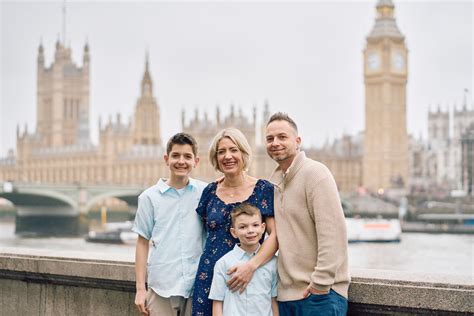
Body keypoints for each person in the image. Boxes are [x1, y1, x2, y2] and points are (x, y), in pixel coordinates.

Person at [265, 113, 350, 315]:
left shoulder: (316, 174)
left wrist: (320, 284)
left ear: (298, 141)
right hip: (286, 298)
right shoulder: (274, 184)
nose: (275, 143)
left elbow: (334, 233)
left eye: (282, 137)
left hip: (320, 297)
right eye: (270, 139)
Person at [192, 128, 278, 316]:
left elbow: (275, 236)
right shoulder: (210, 191)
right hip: (210, 277)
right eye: (221, 152)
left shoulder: (263, 189)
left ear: (244, 153)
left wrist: (251, 266)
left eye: (233, 150)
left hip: (251, 277)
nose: (227, 156)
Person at [132, 133, 207, 316]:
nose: (181, 161)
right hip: (161, 288)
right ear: (166, 159)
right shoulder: (149, 198)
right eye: (176, 155)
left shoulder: (206, 192)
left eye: (187, 156)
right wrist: (141, 289)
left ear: (196, 161)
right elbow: (142, 243)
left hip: (196, 287)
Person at [209, 203, 278, 316]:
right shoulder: (223, 263)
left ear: (263, 228)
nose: (250, 230)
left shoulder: (273, 262)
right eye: (243, 227)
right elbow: (217, 302)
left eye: (255, 225)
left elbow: (273, 300)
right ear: (234, 232)